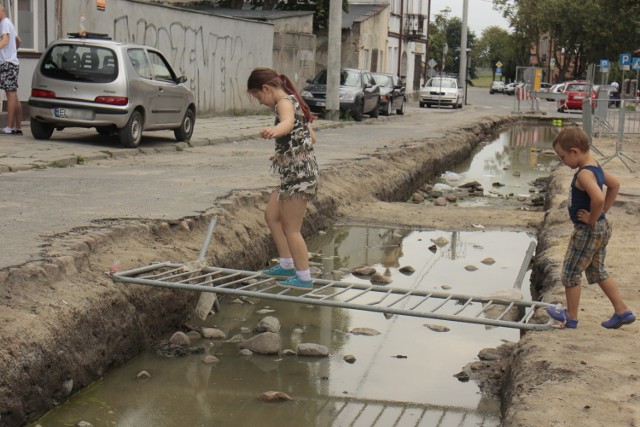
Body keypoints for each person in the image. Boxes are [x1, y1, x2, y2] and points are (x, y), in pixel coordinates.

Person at [546, 126, 635, 329]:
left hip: (588, 231)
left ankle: (571, 317)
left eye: (562, 157)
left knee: (570, 273)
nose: (562, 162)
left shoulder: (584, 175)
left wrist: (592, 218)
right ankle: (622, 311)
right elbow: (615, 185)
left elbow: (598, 197)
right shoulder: (596, 166)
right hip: (602, 229)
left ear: (574, 152)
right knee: (598, 271)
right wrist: (603, 212)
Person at [247, 67, 319, 289]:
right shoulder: (292, 101)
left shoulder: (284, 104)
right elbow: (311, 137)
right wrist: (284, 152)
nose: (260, 102)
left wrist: (275, 131)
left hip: (299, 176)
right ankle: (287, 264)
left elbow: (287, 124)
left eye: (258, 96)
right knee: (272, 216)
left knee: (292, 228)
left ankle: (304, 278)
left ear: (266, 89)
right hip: (293, 172)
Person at [0, 4, 22, 135]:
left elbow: (6, 40)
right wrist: (14, 51)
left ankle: (9, 126)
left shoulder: (4, 23)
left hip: (8, 63)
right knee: (14, 95)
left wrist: (9, 52)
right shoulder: (9, 23)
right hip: (11, 62)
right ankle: (18, 127)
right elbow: (18, 40)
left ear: (2, 11)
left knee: (10, 93)